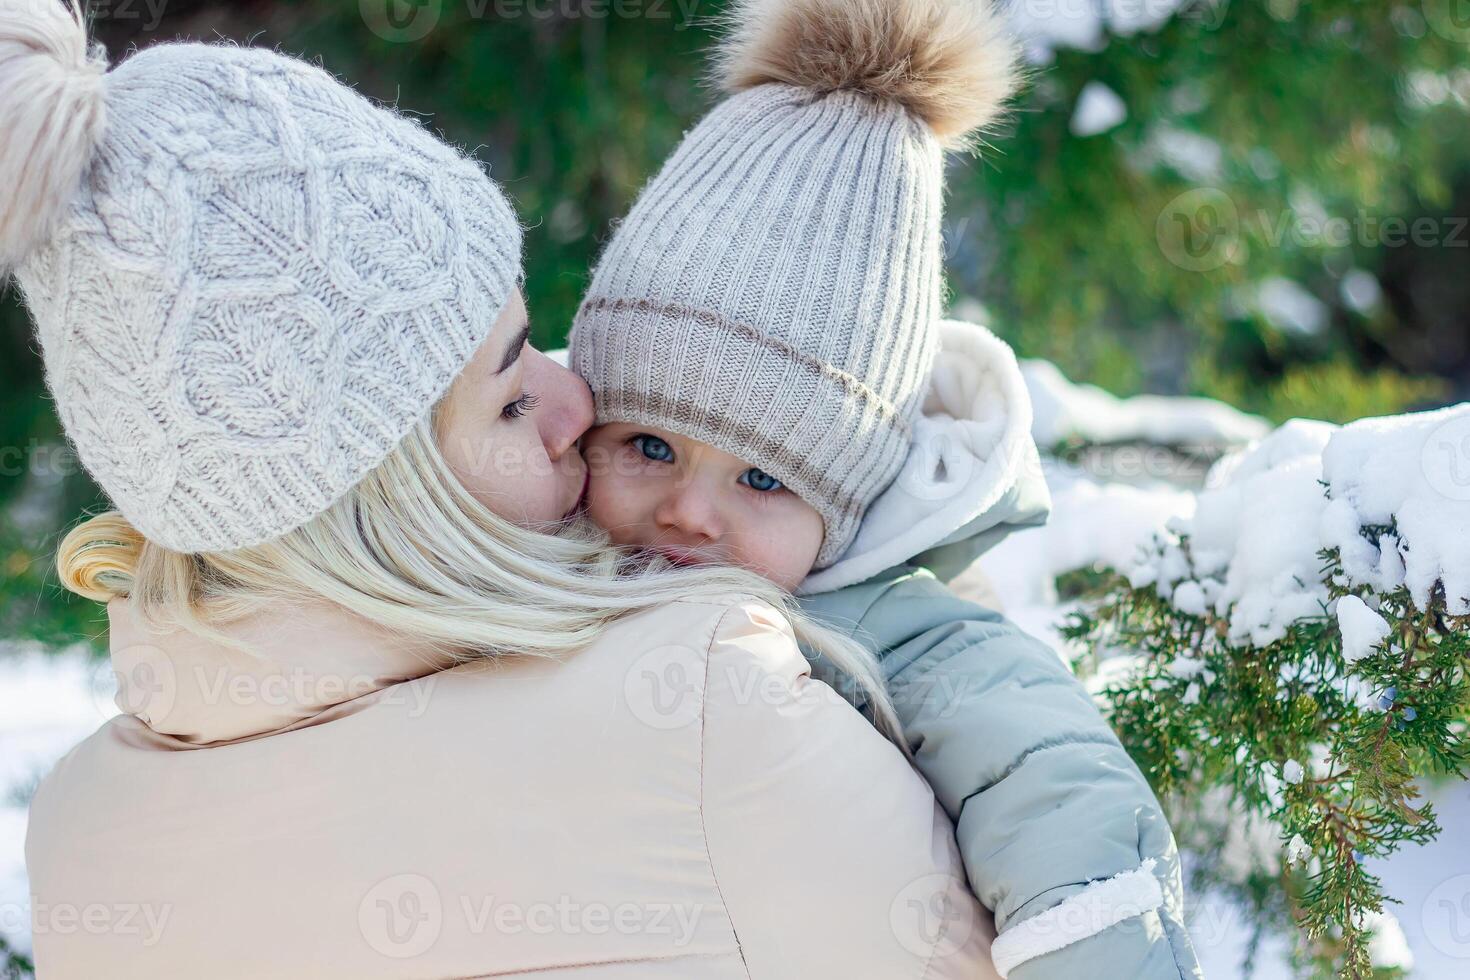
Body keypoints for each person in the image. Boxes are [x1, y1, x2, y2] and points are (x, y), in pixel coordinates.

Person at [4, 3, 997, 976]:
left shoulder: (79, 834)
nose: (578, 400)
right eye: (513, 393)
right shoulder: (707, 704)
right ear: (385, 497)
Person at [570, 0, 1201, 976]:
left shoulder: (895, 631)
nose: (690, 512)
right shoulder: (528, 547)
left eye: (765, 476)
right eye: (648, 443)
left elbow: (1052, 784)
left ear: (848, 502)